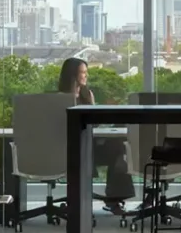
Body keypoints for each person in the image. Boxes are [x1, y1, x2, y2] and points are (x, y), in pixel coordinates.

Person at [58, 56, 136, 210]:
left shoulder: (87, 95)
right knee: (117, 149)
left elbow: (94, 122)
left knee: (118, 147)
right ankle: (114, 199)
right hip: (67, 150)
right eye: (82, 72)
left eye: (86, 72)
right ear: (72, 75)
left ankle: (114, 197)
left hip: (89, 145)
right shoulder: (59, 99)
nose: (86, 75)